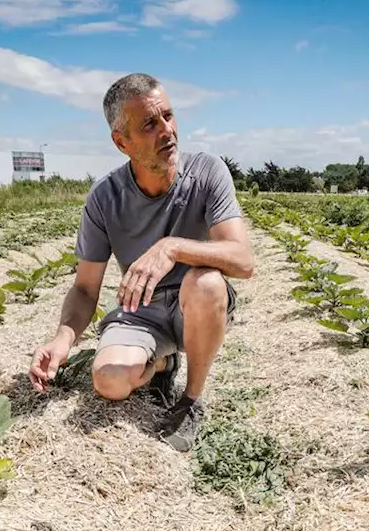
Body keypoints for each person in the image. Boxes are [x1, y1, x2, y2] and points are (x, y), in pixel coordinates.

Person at [27, 72, 255, 451]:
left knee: (205, 282)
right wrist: (63, 338)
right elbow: (85, 288)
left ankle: (191, 401)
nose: (167, 130)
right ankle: (164, 365)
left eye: (168, 115)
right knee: (109, 382)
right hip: (141, 311)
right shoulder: (105, 198)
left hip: (195, 305)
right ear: (122, 142)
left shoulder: (207, 172)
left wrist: (172, 247)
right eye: (150, 123)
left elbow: (243, 260)